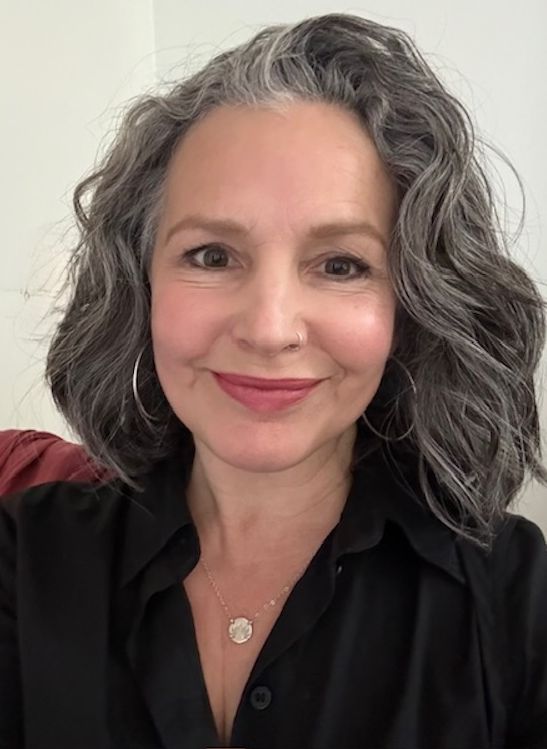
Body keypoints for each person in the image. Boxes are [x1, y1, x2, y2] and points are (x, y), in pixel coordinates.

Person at [1, 12, 546, 749]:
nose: (268, 328)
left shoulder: (515, 601)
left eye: (341, 265)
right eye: (211, 256)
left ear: (412, 303)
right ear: (139, 284)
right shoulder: (25, 558)